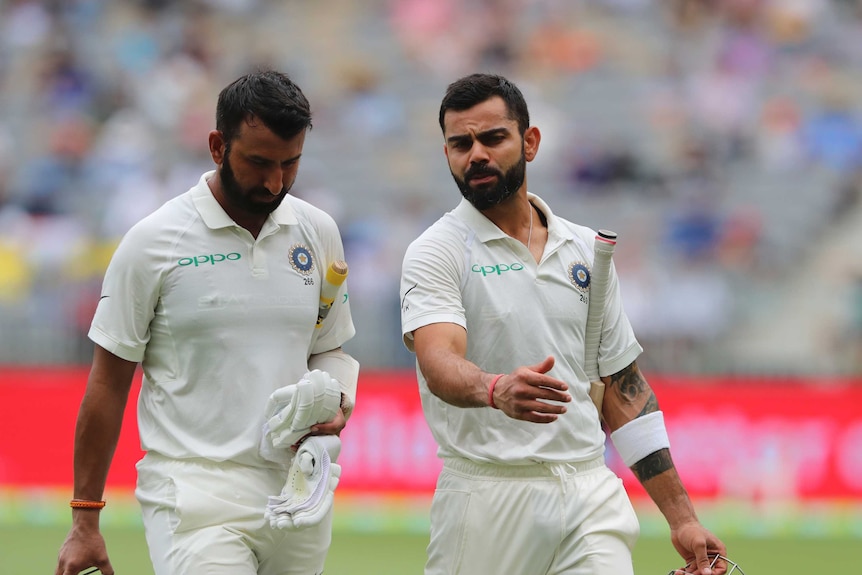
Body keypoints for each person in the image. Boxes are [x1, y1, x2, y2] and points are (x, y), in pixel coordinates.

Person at [399, 73, 727, 575]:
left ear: (529, 142)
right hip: (487, 495)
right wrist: (495, 388)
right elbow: (439, 361)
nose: (476, 155)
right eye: (460, 144)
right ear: (446, 153)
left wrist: (682, 519)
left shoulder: (585, 250)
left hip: (588, 492)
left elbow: (623, 389)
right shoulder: (435, 252)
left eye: (493, 138)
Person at [55, 70, 359, 575]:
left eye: (291, 163)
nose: (274, 182)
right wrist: (85, 518)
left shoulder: (318, 231)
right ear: (218, 146)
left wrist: (338, 402)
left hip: (299, 492)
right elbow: (108, 383)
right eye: (259, 162)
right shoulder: (153, 242)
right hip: (194, 493)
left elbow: (329, 347)